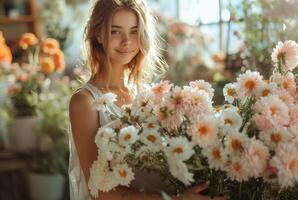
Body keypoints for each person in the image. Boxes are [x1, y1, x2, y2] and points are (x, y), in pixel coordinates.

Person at [68, 0, 223, 199]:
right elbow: (98, 190)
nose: (127, 41)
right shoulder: (84, 102)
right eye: (116, 31)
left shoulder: (147, 95)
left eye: (134, 31)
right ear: (98, 34)